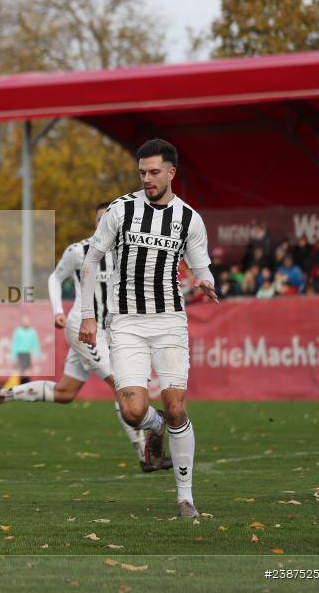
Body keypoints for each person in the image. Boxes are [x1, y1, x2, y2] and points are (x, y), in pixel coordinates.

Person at [78, 139, 217, 519]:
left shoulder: (189, 218)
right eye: (142, 172)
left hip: (170, 319)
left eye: (155, 172)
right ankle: (151, 428)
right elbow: (92, 259)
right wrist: (88, 314)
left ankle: (185, 497)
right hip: (126, 323)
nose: (148, 179)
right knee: (132, 410)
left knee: (176, 406)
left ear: (172, 172)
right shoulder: (121, 210)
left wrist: (206, 282)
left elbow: (201, 265)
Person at [0, 203, 171, 473]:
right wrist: (57, 310)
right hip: (83, 328)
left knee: (65, 392)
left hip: (109, 332)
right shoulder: (79, 251)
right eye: (101, 220)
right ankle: (147, 449)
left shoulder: (128, 253)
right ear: (96, 223)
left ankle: (0, 395)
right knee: (123, 385)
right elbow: (55, 278)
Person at [10, 314, 42, 383]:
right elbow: (14, 344)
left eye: (27, 321)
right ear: (22, 322)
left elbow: (35, 344)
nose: (26, 322)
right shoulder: (17, 331)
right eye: (24, 321)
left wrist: (38, 354)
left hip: (27, 354)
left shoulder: (32, 331)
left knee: (27, 372)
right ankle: (21, 388)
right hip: (20, 354)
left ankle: (26, 388)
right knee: (22, 373)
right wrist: (13, 357)